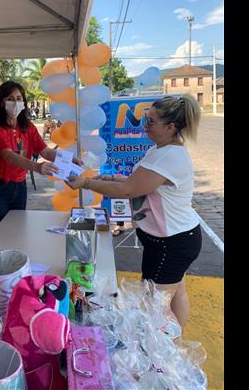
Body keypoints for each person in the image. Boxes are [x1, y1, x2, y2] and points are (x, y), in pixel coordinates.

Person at [65, 94, 202, 329]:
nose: (144, 126)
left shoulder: (169, 155)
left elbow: (129, 190)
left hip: (170, 243)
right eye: (145, 119)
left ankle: (165, 357)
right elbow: (140, 183)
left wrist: (86, 183)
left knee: (156, 306)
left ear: (170, 127)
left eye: (151, 122)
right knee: (176, 291)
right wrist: (109, 178)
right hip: (178, 238)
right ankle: (175, 348)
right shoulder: (163, 149)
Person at [0, 81, 82, 235]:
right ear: (2, 102)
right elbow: (8, 156)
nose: (15, 102)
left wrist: (68, 158)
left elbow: (45, 151)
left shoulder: (27, 126)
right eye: (10, 98)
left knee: (17, 230)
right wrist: (37, 167)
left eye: (18, 98)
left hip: (20, 186)